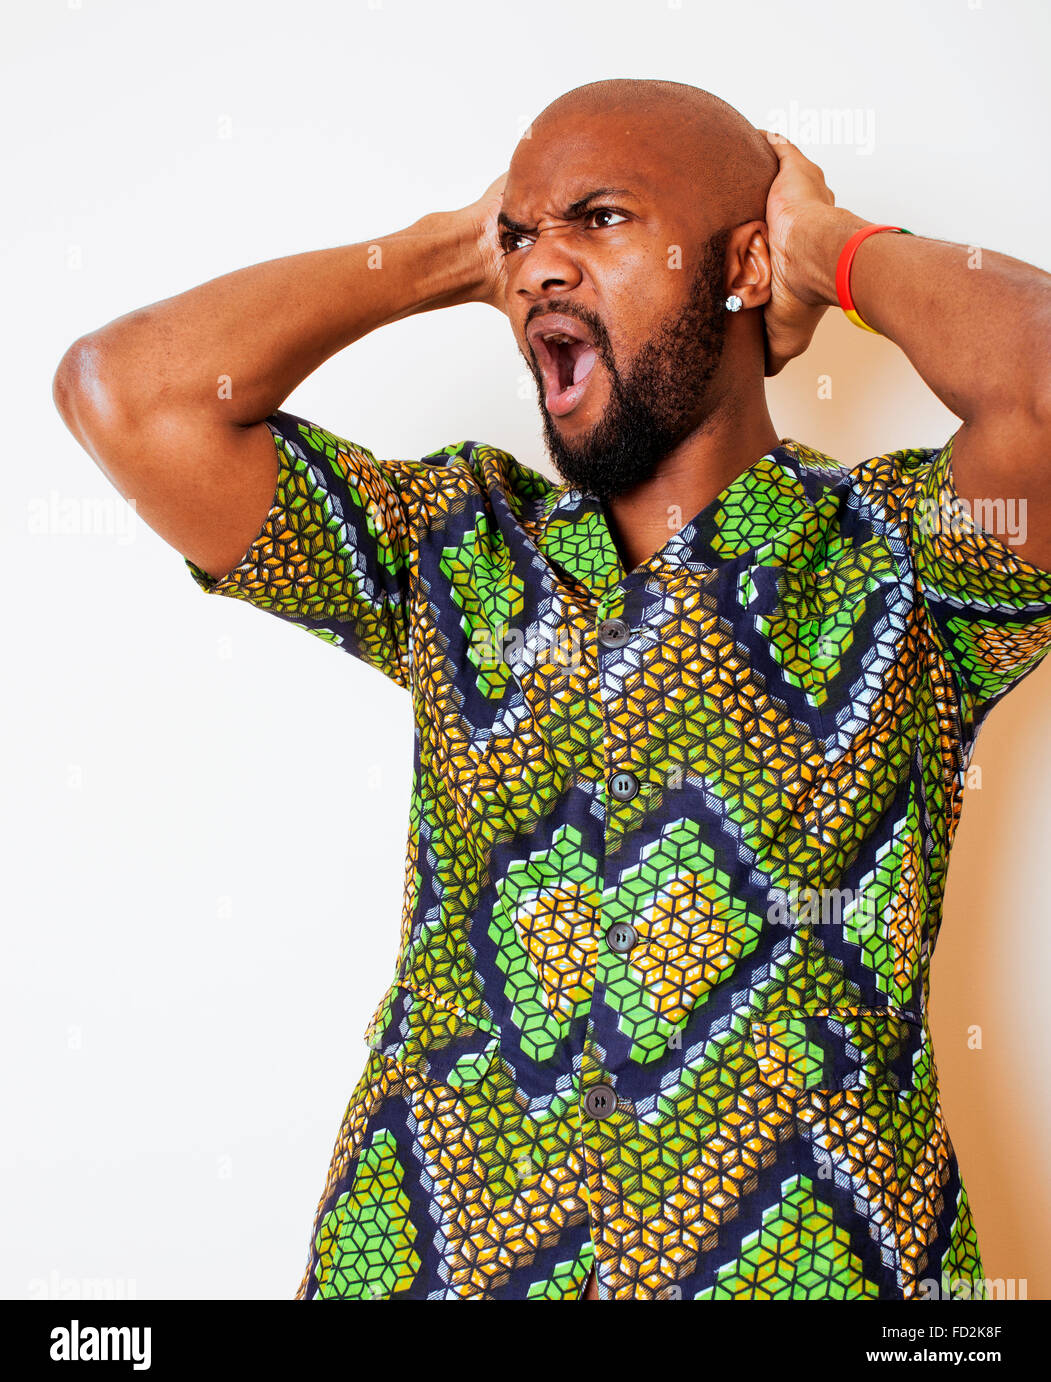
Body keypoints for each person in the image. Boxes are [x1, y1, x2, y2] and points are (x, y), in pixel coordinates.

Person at [52, 78, 1051, 1302]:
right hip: (425, 1259)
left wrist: (828, 248)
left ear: (740, 262)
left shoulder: (904, 560)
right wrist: (448, 252)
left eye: (600, 217)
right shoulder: (453, 551)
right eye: (519, 238)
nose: (538, 268)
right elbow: (127, 396)